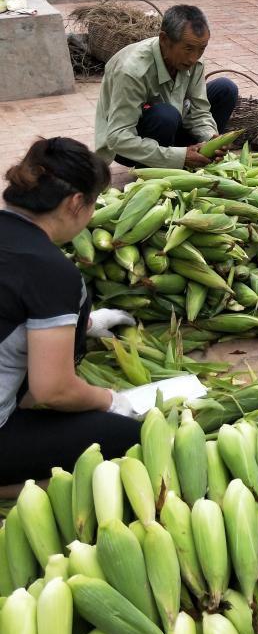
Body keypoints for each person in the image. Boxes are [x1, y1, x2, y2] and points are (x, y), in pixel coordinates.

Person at [0, 138, 142, 487]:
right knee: (135, 440)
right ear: (76, 202)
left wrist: (86, 323)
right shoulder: (50, 271)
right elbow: (53, 390)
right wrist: (108, 400)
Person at [94, 4, 238, 170]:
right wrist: (178, 157)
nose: (194, 58)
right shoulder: (132, 70)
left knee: (225, 89)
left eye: (201, 49)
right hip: (129, 146)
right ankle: (154, 169)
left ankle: (200, 159)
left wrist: (211, 140)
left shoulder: (193, 62)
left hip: (173, 131)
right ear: (164, 40)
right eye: (188, 49)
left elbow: (200, 112)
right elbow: (118, 137)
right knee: (166, 114)